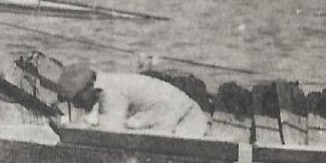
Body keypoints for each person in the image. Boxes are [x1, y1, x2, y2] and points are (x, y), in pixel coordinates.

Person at [56, 64, 210, 138]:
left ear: (90, 88)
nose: (77, 105)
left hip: (187, 122)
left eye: (77, 99)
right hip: (173, 117)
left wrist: (72, 130)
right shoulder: (107, 83)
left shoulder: (111, 92)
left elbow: (110, 134)